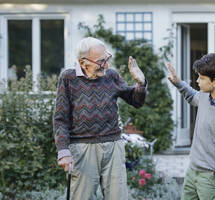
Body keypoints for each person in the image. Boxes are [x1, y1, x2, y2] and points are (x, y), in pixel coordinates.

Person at [53, 37, 147, 200]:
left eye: (107, 59)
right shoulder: (68, 78)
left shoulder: (111, 76)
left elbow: (135, 101)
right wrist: (63, 150)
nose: (107, 65)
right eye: (101, 61)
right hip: (82, 148)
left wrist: (140, 84)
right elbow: (61, 118)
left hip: (113, 146)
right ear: (83, 63)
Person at [166, 52, 215, 200]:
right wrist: (178, 83)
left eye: (201, 78)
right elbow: (192, 96)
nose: (198, 81)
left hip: (210, 179)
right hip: (192, 171)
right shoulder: (205, 96)